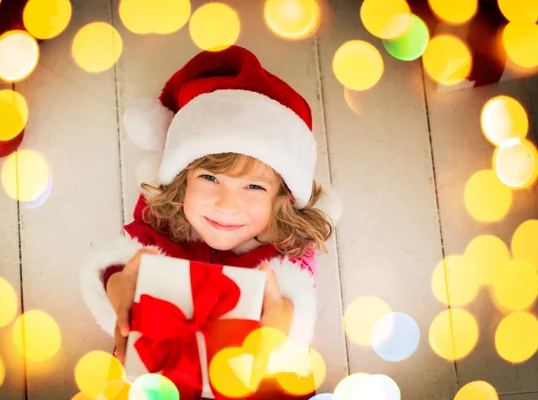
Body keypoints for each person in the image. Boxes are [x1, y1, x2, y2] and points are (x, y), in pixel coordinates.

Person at [79, 45, 343, 398]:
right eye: (210, 178)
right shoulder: (160, 226)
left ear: (279, 199)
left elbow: (295, 288)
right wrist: (117, 283)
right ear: (182, 179)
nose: (226, 204)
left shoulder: (283, 251)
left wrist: (283, 319)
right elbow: (125, 260)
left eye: (253, 186)